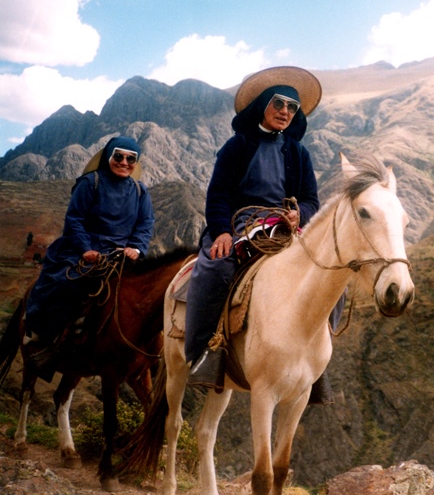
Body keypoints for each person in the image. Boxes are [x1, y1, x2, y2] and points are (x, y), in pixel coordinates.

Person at [184, 66, 339, 402]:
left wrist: (301, 215)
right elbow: (219, 194)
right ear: (263, 106)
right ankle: (204, 351)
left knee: (330, 273)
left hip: (285, 228)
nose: (285, 111)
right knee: (215, 269)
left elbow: (312, 199)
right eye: (279, 104)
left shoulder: (298, 153)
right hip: (240, 226)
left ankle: (315, 366)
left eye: (292, 107)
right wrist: (221, 232)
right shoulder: (237, 146)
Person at [23, 136, 154, 382]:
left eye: (130, 158)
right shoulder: (89, 183)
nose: (124, 162)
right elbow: (74, 219)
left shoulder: (140, 191)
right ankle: (43, 339)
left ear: (135, 163)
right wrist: (85, 249)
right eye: (118, 156)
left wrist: (136, 248)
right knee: (63, 285)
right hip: (84, 252)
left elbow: (145, 224)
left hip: (121, 256)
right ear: (108, 156)